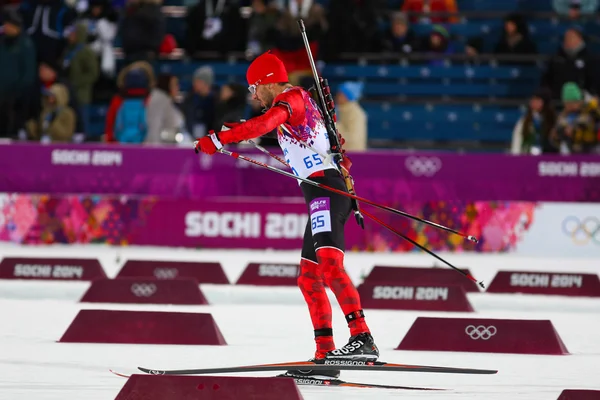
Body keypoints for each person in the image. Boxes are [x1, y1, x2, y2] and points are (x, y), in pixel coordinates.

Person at [194, 52, 379, 379]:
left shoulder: (291, 98)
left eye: (254, 87)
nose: (253, 95)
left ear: (266, 81)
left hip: (326, 190)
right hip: (322, 192)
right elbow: (266, 127)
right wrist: (236, 131)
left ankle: (362, 337)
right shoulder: (292, 103)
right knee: (308, 276)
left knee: (329, 267)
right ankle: (326, 355)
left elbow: (265, 124)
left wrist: (218, 139)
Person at [0, 9, 36, 138]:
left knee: (12, 131)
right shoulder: (2, 41)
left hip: (15, 99)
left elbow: (28, 73)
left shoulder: (25, 44)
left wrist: (18, 93)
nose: (6, 27)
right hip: (1, 95)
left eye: (9, 25)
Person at [511, 87, 558, 155]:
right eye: (533, 99)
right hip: (527, 158)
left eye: (537, 99)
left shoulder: (552, 120)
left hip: (547, 159)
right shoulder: (524, 121)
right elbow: (517, 141)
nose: (533, 102)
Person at [146, 74, 185, 144]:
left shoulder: (166, 100)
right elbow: (154, 127)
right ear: (167, 85)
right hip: (161, 149)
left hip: (168, 146)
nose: (178, 88)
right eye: (175, 84)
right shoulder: (158, 100)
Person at [335, 82, 367, 151]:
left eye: (341, 94)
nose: (338, 96)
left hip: (354, 154)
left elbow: (355, 139)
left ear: (348, 96)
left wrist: (336, 128)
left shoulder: (356, 114)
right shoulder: (339, 110)